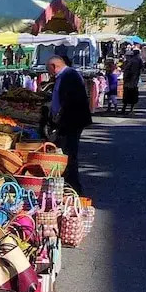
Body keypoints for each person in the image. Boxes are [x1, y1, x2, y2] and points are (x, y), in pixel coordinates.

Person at [48, 54, 92, 193]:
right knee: (66, 152)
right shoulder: (65, 75)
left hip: (71, 121)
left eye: (48, 69)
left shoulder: (69, 76)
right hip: (69, 121)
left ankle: (73, 187)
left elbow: (70, 101)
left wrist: (58, 118)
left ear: (54, 66)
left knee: (68, 153)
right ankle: (69, 183)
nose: (48, 73)